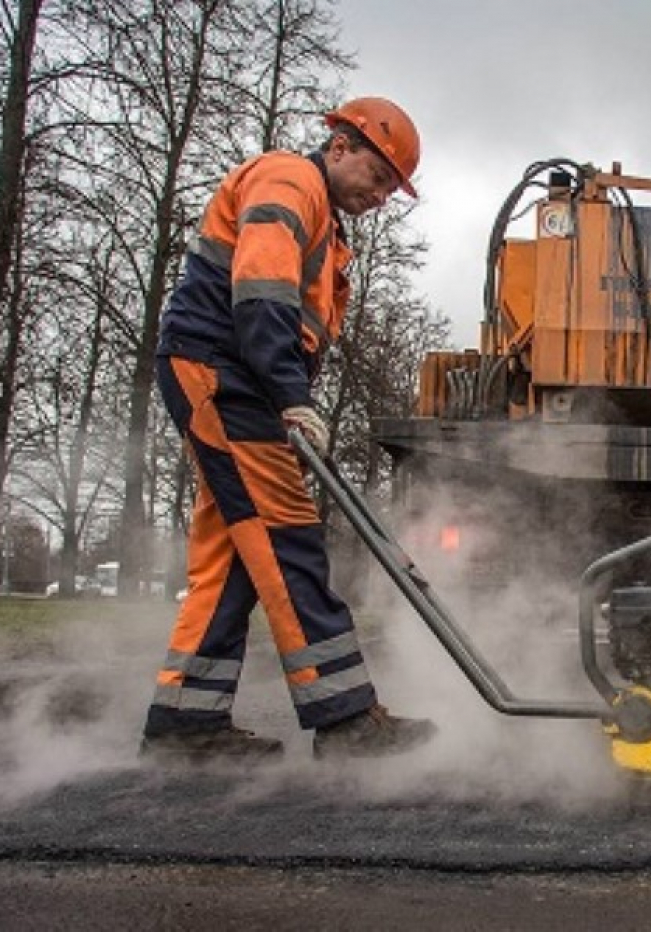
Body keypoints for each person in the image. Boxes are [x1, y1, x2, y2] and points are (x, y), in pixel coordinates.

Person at [140, 97, 436, 760]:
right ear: (340, 146)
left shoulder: (329, 229)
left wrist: (284, 398)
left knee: (234, 558)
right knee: (289, 538)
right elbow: (262, 294)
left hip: (232, 380)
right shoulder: (289, 180)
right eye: (379, 176)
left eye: (392, 188)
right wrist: (289, 396)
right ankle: (346, 720)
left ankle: (184, 727)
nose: (381, 196)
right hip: (224, 374)